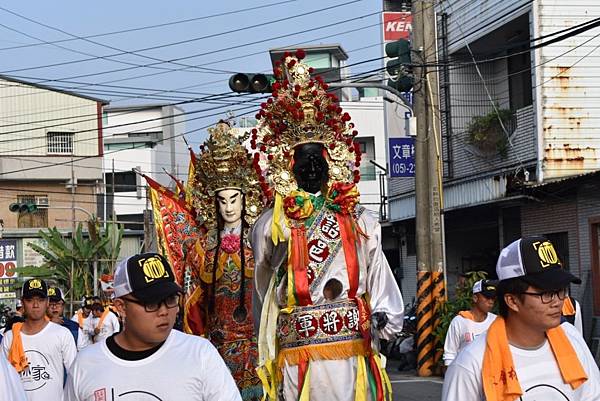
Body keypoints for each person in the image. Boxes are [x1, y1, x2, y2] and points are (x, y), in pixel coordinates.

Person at [251, 50, 404, 401]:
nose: (310, 168)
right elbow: (262, 277)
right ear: (288, 165)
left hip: (351, 346)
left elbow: (377, 271)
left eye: (316, 158)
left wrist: (383, 315)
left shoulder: (358, 218)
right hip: (299, 346)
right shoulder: (273, 224)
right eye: (301, 159)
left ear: (331, 160)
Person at [65, 252, 242, 401]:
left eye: (170, 300)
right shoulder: (86, 364)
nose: (164, 311)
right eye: (151, 303)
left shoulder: (200, 354)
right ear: (121, 307)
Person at [442, 236, 600, 400]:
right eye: (546, 293)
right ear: (512, 301)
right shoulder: (471, 364)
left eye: (560, 290)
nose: (558, 302)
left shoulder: (572, 339)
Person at [183, 121, 264, 400]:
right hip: (216, 346)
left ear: (246, 199)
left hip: (257, 347)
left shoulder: (261, 240)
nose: (229, 207)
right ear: (213, 203)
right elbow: (192, 304)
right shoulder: (202, 248)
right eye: (222, 201)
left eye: (234, 199)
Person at [1, 278, 76, 401]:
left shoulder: (62, 334)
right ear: (22, 303)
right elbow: (3, 379)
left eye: (40, 300)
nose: (35, 305)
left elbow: (74, 375)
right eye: (30, 300)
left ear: (47, 302)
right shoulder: (10, 338)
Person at [443, 279, 497, 366]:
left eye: (493, 298)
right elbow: (450, 354)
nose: (491, 302)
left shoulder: (496, 321)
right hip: (465, 374)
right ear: (475, 298)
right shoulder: (459, 322)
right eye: (487, 298)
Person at [47, 287, 89, 351]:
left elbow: (83, 352)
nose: (54, 307)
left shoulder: (74, 328)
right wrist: (49, 324)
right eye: (50, 304)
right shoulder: (36, 327)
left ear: (63, 306)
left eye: (58, 303)